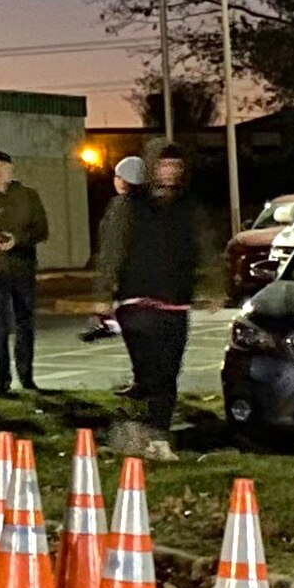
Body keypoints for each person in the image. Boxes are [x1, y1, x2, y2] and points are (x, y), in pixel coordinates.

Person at [102, 145, 200, 444]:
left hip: (175, 304)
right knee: (149, 370)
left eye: (174, 165)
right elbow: (111, 252)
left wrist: (211, 287)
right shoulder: (130, 205)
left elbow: (202, 246)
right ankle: (144, 427)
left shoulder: (187, 206)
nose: (169, 171)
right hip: (139, 302)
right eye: (163, 165)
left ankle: (158, 432)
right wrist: (104, 293)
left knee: (168, 372)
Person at [0, 148, 52, 394]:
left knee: (25, 325)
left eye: (1, 168)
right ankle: (1, 379)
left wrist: (18, 240)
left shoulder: (28, 196)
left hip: (23, 268)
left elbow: (42, 230)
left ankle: (26, 377)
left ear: (11, 169)